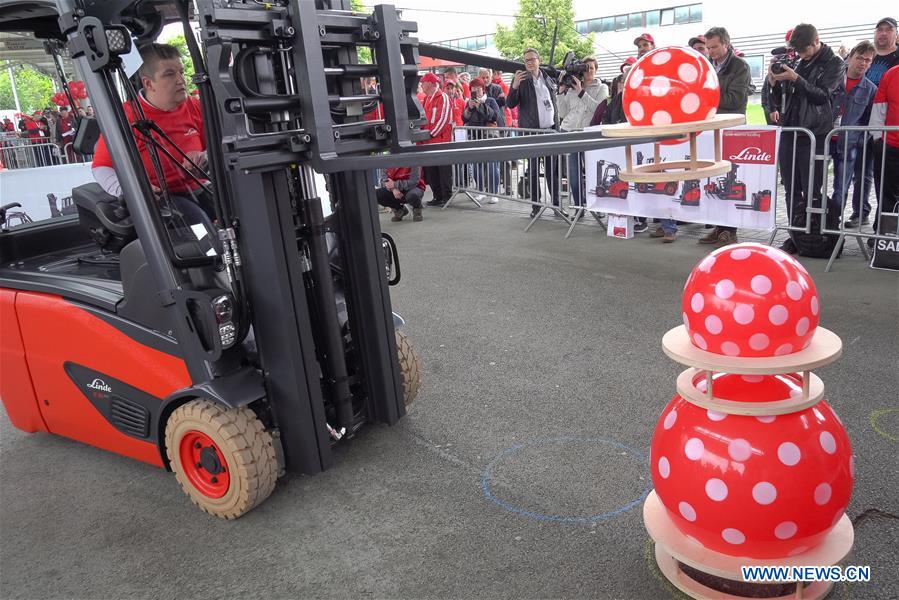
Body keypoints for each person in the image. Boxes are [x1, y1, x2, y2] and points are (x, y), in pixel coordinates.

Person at [92, 43, 212, 229]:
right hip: (163, 197)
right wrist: (132, 191)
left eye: (181, 72)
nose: (181, 80)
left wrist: (203, 156)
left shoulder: (194, 106)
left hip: (200, 186)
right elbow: (102, 167)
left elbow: (214, 147)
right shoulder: (126, 116)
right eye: (170, 74)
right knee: (201, 228)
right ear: (148, 83)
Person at [768, 23, 843, 254]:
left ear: (816, 41)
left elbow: (822, 96)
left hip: (815, 132)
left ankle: (813, 235)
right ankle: (795, 234)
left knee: (812, 187)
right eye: (797, 50)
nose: (800, 54)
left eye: (803, 50)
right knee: (791, 188)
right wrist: (774, 84)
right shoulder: (798, 61)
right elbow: (786, 97)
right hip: (792, 129)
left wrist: (796, 78)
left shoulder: (835, 63)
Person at [698, 26, 751, 247]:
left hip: (730, 128)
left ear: (726, 44)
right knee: (713, 178)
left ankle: (730, 230)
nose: (711, 52)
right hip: (711, 129)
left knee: (730, 180)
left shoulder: (741, 66)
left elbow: (734, 100)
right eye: (708, 48)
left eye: (715, 47)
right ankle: (718, 227)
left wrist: (706, 96)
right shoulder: (707, 66)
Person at [507, 47, 560, 218]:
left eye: (532, 59)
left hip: (550, 131)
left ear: (539, 60)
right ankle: (536, 206)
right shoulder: (521, 80)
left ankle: (557, 205)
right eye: (526, 60)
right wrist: (514, 86)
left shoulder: (548, 77)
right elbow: (510, 103)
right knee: (534, 170)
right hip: (532, 133)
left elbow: (554, 102)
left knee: (553, 171)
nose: (529, 63)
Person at [830, 41, 876, 228]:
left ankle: (834, 221)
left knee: (842, 185)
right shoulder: (833, 80)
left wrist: (859, 140)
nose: (862, 63)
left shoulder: (871, 89)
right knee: (814, 181)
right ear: (850, 58)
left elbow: (871, 121)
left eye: (867, 60)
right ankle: (818, 218)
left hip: (849, 143)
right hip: (825, 139)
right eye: (859, 58)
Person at [557, 56, 607, 214]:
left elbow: (598, 110)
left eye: (592, 68)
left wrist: (581, 92)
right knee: (573, 174)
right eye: (585, 68)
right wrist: (559, 93)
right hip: (570, 133)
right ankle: (579, 207)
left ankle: (597, 206)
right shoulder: (572, 87)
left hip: (589, 135)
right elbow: (564, 112)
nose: (588, 71)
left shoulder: (602, 87)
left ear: (596, 70)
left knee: (594, 173)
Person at [868, 64, 899, 244]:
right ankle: (883, 236)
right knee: (885, 195)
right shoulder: (891, 74)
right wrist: (878, 139)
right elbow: (879, 106)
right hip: (890, 146)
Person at [418, 72, 454, 207]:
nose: (421, 85)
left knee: (443, 171)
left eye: (423, 82)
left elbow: (444, 119)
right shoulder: (427, 99)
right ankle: (438, 196)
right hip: (429, 141)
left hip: (440, 142)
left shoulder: (442, 97)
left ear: (430, 83)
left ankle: (446, 196)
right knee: (432, 171)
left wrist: (430, 134)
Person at [462, 77, 501, 202]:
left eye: (478, 89)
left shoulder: (490, 101)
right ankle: (480, 190)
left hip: (489, 136)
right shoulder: (468, 103)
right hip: (474, 137)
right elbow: (464, 118)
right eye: (473, 90)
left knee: (491, 165)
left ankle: (494, 192)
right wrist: (470, 108)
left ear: (483, 90)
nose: (476, 92)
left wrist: (481, 106)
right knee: (476, 166)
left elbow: (495, 116)